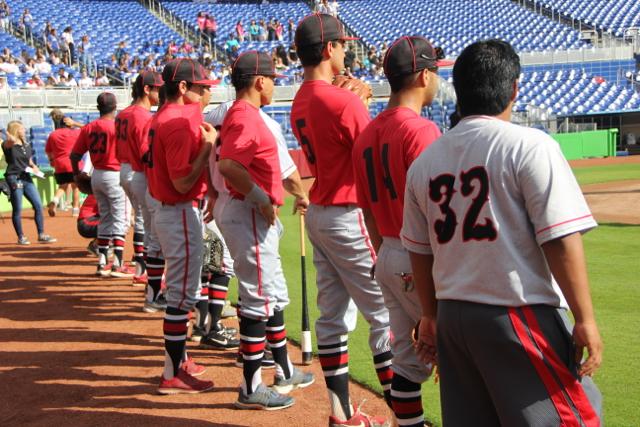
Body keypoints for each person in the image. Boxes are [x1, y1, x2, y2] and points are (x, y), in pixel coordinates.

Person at [403, 39, 603, 426]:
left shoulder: (425, 163)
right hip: (515, 312)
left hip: (454, 317)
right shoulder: (530, 145)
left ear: (458, 92)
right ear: (514, 88)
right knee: (575, 418)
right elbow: (560, 239)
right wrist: (585, 318)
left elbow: (420, 250)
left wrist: (430, 315)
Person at [291, 13, 392, 426]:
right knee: (385, 315)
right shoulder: (344, 99)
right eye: (342, 45)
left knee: (331, 319)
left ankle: (340, 413)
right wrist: (361, 103)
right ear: (329, 48)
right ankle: (407, 416)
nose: (345, 50)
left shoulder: (300, 96)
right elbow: (372, 156)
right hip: (350, 214)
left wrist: (353, 101)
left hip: (319, 211)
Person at [352, 36, 451, 427]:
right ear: (424, 76)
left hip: (388, 255)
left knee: (406, 362)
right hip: (420, 257)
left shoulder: (366, 135)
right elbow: (438, 213)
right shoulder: (421, 131)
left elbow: (369, 213)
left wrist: (385, 258)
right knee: (453, 353)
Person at [217, 50, 314, 410]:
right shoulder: (246, 116)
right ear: (260, 81)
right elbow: (229, 165)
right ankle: (250, 386)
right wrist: (259, 197)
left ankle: (282, 370)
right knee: (259, 299)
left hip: (245, 211)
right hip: (245, 212)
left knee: (267, 294)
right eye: (273, 78)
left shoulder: (242, 114)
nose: (275, 84)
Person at [146, 58, 217, 394]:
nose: (206, 93)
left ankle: (179, 361)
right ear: (184, 87)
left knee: (180, 292)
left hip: (168, 210)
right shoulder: (175, 121)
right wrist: (206, 149)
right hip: (177, 210)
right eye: (201, 87)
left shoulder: (163, 116)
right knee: (182, 296)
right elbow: (182, 181)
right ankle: (171, 374)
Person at [70, 93, 132, 278]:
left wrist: (76, 174)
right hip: (114, 174)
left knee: (105, 218)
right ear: (115, 107)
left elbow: (74, 155)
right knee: (119, 219)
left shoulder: (89, 127)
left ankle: (103, 263)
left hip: (97, 174)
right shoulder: (117, 126)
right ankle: (118, 264)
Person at [117, 71, 165, 298]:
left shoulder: (122, 113)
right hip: (139, 171)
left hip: (124, 169)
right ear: (147, 89)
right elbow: (146, 152)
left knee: (145, 225)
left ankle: (143, 270)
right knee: (153, 228)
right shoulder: (143, 115)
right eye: (158, 88)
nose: (161, 92)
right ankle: (151, 282)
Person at [2, 121, 56, 244]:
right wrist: (9, 136)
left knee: (38, 205)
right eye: (21, 128)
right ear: (16, 130)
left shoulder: (26, 144)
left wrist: (34, 167)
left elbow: (29, 160)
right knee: (17, 209)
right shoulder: (9, 145)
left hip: (26, 177)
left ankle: (41, 234)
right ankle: (21, 237)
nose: (24, 130)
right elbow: (9, 142)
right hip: (14, 177)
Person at [45, 109, 82, 217]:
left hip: (60, 164)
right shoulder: (74, 132)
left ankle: (55, 201)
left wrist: (52, 161)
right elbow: (88, 128)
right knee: (76, 187)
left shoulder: (53, 135)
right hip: (74, 163)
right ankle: (75, 210)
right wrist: (75, 123)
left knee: (62, 186)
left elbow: (48, 151)